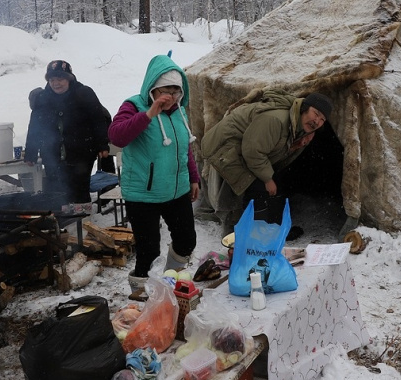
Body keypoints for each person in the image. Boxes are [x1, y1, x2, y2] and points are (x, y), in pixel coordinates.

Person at [108, 54, 200, 294]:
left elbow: (185, 147)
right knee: (148, 251)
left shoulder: (179, 112)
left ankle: (168, 281)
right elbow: (116, 136)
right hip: (143, 193)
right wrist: (149, 113)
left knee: (186, 240)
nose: (171, 97)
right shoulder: (134, 106)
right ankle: (139, 294)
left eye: (176, 91)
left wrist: (193, 177)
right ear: (153, 88)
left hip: (176, 189)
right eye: (165, 90)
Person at [201, 90, 333, 236]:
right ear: (304, 108)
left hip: (243, 149)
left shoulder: (297, 123)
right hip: (223, 148)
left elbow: (273, 149)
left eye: (322, 120)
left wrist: (294, 146)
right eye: (315, 113)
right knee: (257, 187)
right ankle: (252, 232)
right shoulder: (275, 119)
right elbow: (252, 151)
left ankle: (275, 229)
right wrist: (267, 179)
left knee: (277, 184)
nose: (317, 121)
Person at [24, 60, 110, 201]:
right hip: (51, 153)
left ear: (69, 78)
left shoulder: (84, 93)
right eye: (52, 79)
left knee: (79, 188)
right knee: (57, 191)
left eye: (60, 79)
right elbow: (35, 126)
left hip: (82, 152)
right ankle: (61, 219)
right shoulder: (42, 98)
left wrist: (102, 145)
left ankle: (82, 218)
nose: (55, 83)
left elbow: (98, 120)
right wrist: (31, 152)